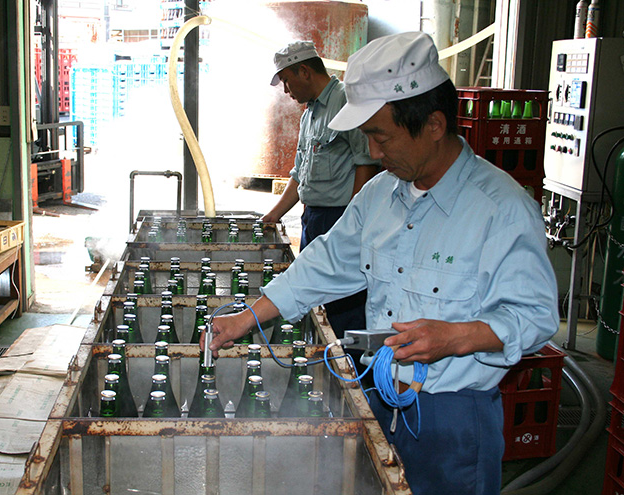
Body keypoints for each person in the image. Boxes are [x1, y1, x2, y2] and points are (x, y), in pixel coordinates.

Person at [206, 32, 559, 495]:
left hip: (454, 417)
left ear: (433, 124)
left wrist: (455, 337)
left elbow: (534, 317)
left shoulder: (502, 210)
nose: (373, 153)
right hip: (381, 396)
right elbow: (324, 264)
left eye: (380, 136)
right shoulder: (379, 197)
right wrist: (247, 317)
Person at [263, 40, 379, 336]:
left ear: (304, 71)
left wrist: (353, 222)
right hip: (312, 219)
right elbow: (299, 175)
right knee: (317, 299)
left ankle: (349, 370)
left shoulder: (345, 103)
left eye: (288, 81)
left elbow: (365, 163)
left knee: (344, 305)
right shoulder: (309, 115)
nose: (287, 92)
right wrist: (272, 216)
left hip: (339, 217)